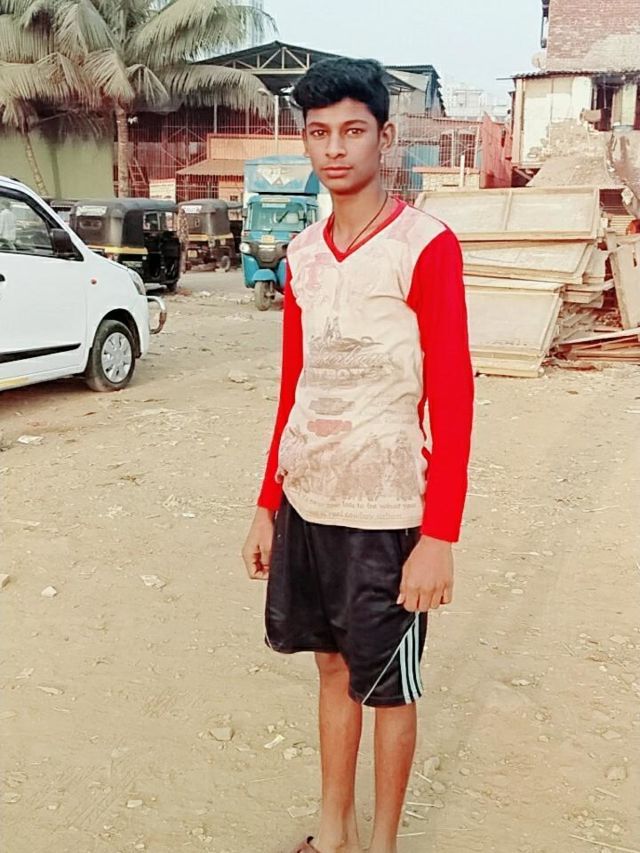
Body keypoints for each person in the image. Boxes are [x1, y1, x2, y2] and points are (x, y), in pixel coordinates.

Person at [242, 57, 474, 853]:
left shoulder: (424, 245)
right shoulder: (304, 253)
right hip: (309, 500)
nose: (335, 148)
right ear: (305, 141)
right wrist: (267, 503)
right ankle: (333, 829)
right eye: (319, 133)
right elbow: (294, 387)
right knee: (331, 668)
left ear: (384, 135)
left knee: (388, 686)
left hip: (388, 510)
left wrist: (439, 533)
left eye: (352, 130)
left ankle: (382, 845)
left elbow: (454, 393)